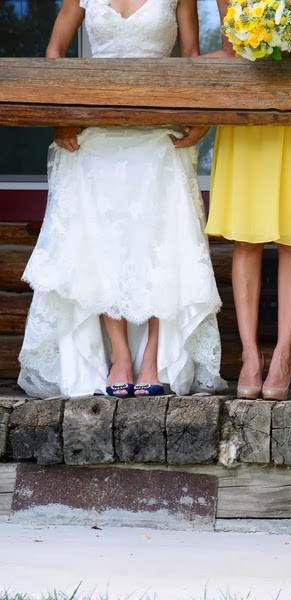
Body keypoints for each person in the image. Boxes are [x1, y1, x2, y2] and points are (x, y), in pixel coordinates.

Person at [18, 0, 224, 399]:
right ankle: (120, 356)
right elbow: (54, 54)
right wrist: (62, 113)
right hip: (98, 130)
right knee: (104, 241)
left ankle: (152, 357)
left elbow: (193, 60)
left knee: (155, 242)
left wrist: (204, 118)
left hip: (157, 132)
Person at [206, 0, 291, 401]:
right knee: (245, 239)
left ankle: (283, 355)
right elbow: (232, 49)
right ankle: (250, 355)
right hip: (247, 118)